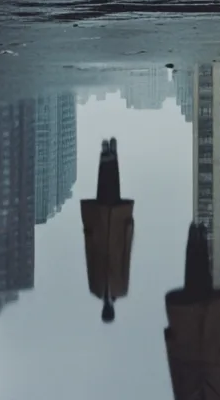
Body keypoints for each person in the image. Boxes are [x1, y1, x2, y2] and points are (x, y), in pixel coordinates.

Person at [164, 223, 220, 400]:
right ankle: (200, 237)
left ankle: (196, 237)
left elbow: (176, 373)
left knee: (195, 283)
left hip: (191, 349)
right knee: (203, 283)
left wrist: (172, 343)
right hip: (209, 350)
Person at [80, 138, 134, 323]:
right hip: (117, 238)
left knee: (103, 195)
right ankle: (114, 155)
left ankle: (105, 155)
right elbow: (126, 259)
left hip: (100, 238)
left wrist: (88, 234)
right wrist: (128, 231)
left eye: (105, 312)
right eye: (109, 312)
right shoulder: (121, 289)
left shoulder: (95, 289)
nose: (107, 309)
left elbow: (90, 260)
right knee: (114, 193)